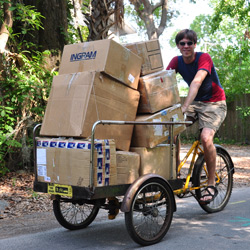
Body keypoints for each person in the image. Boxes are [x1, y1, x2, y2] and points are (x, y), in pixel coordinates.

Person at [166, 29, 227, 204]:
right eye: (182, 43)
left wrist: (185, 106)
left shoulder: (204, 58)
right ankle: (173, 174)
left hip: (214, 103)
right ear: (178, 46)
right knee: (172, 130)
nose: (186, 46)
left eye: (189, 43)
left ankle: (210, 184)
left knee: (206, 138)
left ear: (195, 45)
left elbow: (197, 81)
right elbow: (162, 80)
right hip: (195, 103)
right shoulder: (176, 61)